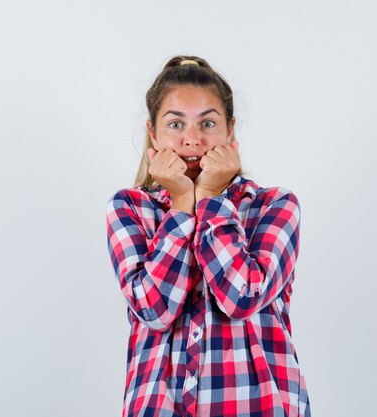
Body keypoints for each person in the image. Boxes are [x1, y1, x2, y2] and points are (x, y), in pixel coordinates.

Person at [106, 55, 311, 417]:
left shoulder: (274, 206)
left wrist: (212, 200)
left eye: (208, 123)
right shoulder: (131, 208)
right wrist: (183, 204)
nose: (192, 140)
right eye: (175, 124)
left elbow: (242, 297)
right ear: (153, 133)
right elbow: (153, 308)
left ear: (230, 130)